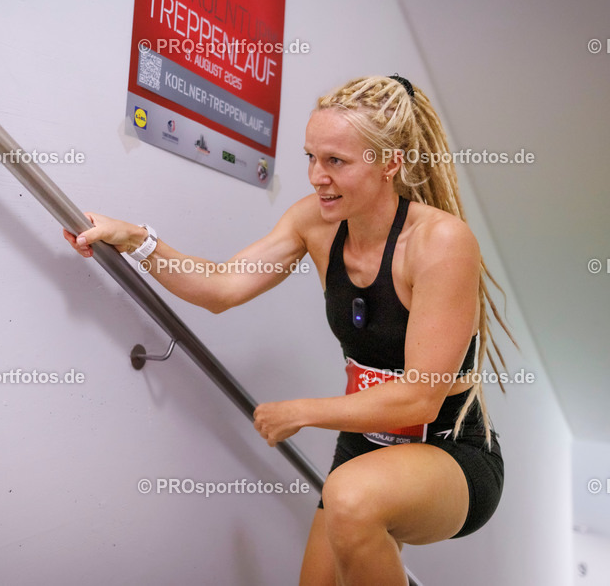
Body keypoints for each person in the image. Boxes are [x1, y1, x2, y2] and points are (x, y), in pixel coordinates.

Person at [63, 75, 510, 585]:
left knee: (349, 499)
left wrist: (301, 412)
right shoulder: (314, 224)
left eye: (335, 161)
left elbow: (418, 400)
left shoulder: (441, 242)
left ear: (390, 164)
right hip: (366, 446)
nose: (316, 176)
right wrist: (136, 239)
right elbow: (221, 286)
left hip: (448, 451)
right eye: (311, 157)